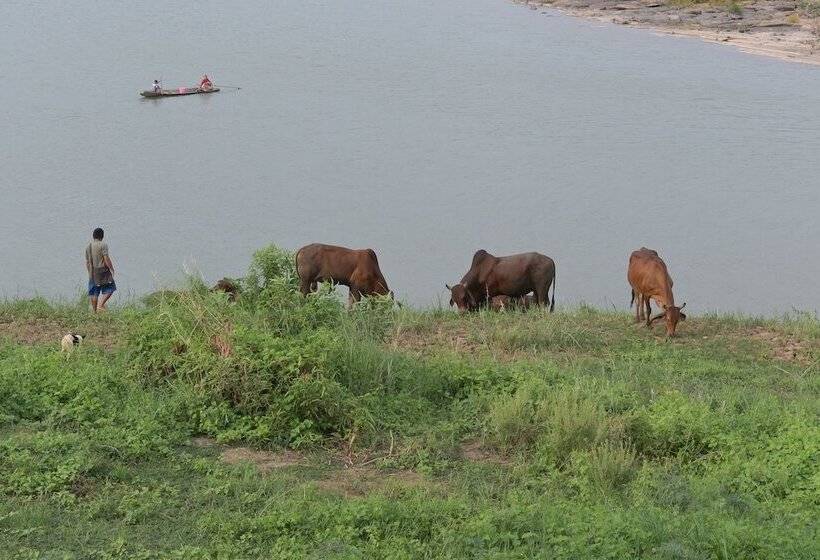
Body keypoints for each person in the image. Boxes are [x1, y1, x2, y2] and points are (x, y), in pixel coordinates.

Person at [85, 228, 116, 312]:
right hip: (103, 271)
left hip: (93, 272)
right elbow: (106, 258)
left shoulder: (88, 246)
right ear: (102, 236)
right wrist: (111, 268)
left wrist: (90, 273)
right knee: (111, 288)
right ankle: (101, 304)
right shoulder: (103, 245)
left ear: (93, 236)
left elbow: (87, 262)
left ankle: (94, 311)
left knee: (94, 292)